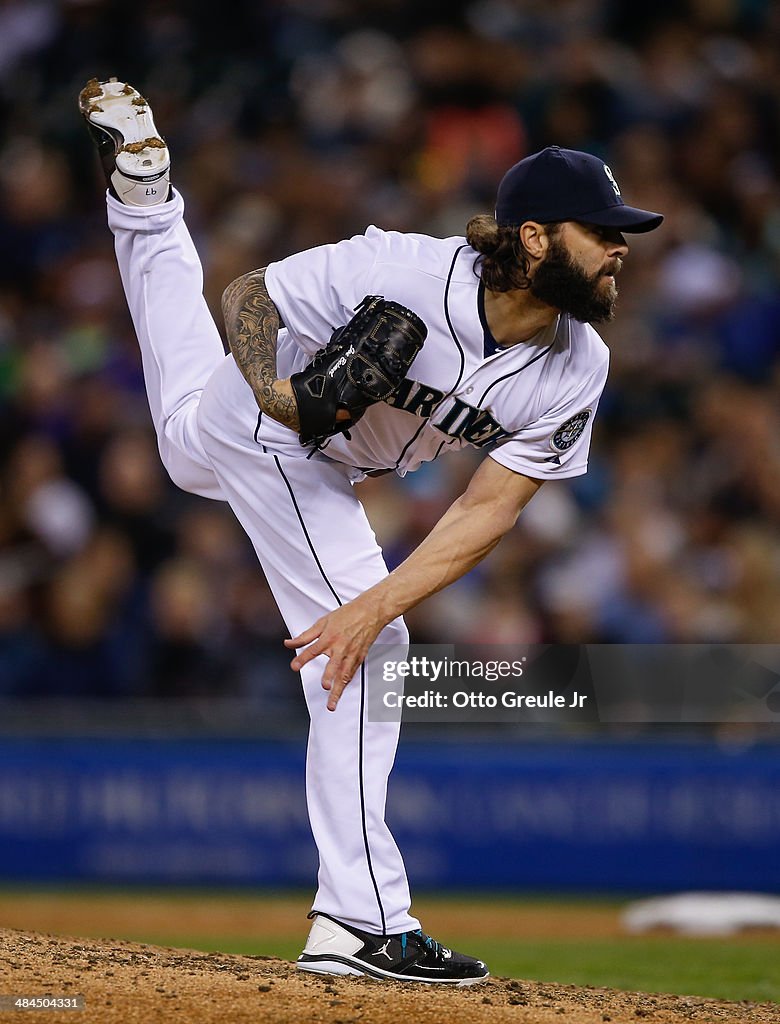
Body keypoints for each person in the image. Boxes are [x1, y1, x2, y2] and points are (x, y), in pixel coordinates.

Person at [79, 77, 662, 985]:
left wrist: (373, 599)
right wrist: (278, 396)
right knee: (374, 656)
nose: (621, 249)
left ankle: (146, 206)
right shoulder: (403, 270)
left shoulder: (575, 364)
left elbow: (486, 509)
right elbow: (249, 298)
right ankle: (360, 922)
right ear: (538, 237)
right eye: (605, 232)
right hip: (281, 431)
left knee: (184, 440)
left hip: (309, 454)